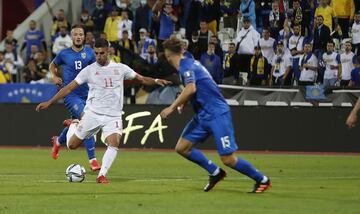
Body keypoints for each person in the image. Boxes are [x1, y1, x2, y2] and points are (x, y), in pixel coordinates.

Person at [36, 38, 171, 184]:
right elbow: (69, 88)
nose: (99, 56)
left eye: (102, 53)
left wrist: (156, 81)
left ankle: (102, 175)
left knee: (114, 142)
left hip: (113, 116)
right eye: (96, 53)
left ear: (109, 51)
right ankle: (73, 125)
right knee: (72, 146)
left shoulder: (121, 68)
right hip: (93, 114)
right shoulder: (88, 70)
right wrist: (50, 102)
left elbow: (142, 79)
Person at [160, 37, 271, 193]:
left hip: (217, 113)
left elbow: (191, 88)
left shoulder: (185, 66)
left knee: (228, 159)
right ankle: (215, 172)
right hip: (203, 115)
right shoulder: (189, 60)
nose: (167, 59)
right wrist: (184, 103)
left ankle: (262, 180)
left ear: (169, 55)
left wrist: (172, 107)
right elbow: (195, 86)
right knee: (182, 147)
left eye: (167, 55)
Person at [49, 25, 100, 171]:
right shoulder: (64, 53)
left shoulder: (90, 53)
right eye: (76, 34)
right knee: (87, 120)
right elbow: (52, 65)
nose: (78, 37)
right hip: (71, 95)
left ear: (84, 37)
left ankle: (58, 141)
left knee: (78, 124)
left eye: (81, 34)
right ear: (71, 37)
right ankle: (93, 161)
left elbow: (96, 71)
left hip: (87, 96)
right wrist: (54, 75)